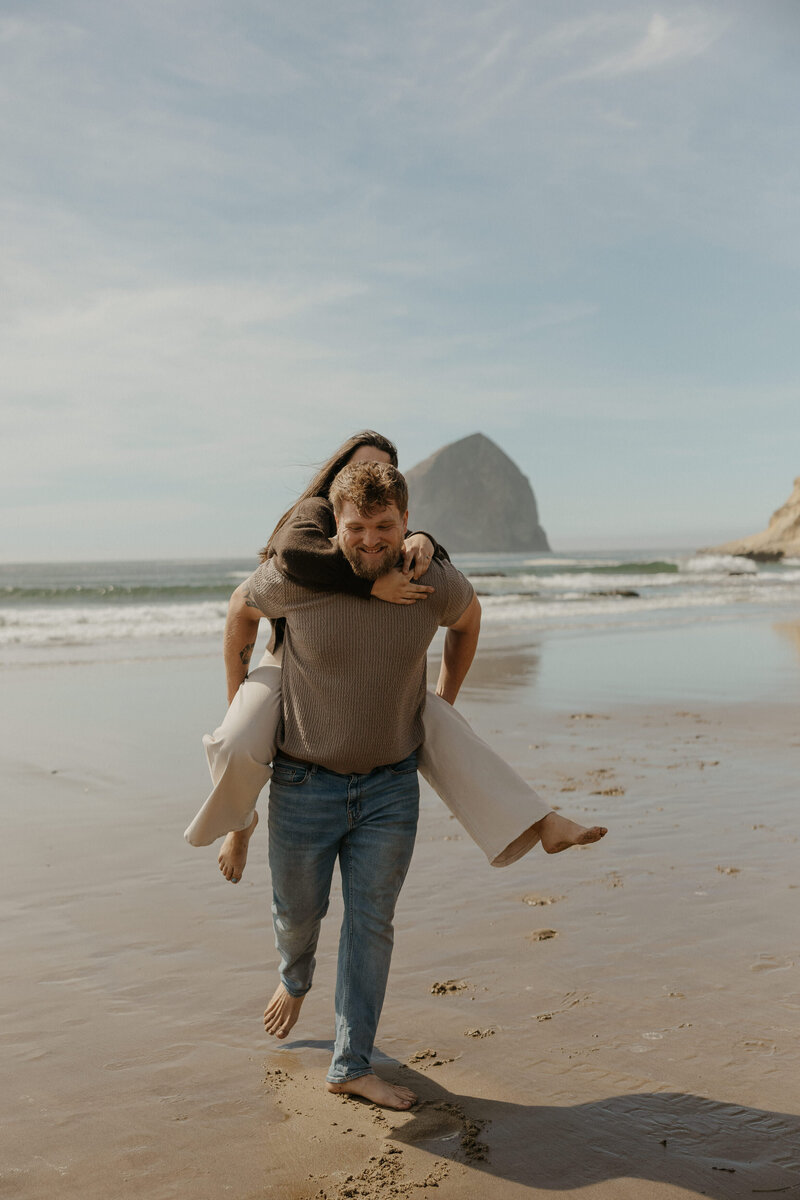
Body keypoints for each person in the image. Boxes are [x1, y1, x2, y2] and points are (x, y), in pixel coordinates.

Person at [184, 430, 607, 878]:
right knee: (235, 739)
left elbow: (446, 590)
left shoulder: (388, 530)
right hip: (291, 658)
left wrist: (423, 539)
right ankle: (240, 825)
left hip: (368, 668)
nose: (368, 479)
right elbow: (293, 555)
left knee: (444, 724)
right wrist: (369, 585)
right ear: (338, 474)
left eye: (382, 472)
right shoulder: (314, 512)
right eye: (359, 468)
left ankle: (539, 820)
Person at [227, 460, 479, 1108]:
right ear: (335, 525)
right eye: (357, 527)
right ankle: (295, 976)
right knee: (297, 915)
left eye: (384, 526)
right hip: (303, 782)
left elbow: (468, 619)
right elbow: (240, 610)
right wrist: (239, 711)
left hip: (390, 789)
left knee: (371, 924)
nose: (371, 540)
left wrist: (444, 704)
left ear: (405, 521)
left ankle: (351, 1064)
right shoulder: (298, 579)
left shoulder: (430, 579)